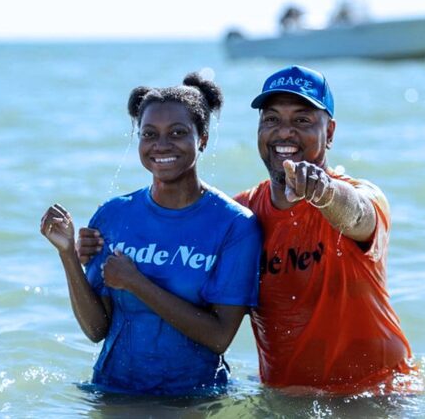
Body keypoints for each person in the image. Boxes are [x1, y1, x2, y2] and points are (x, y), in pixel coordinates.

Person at [79, 65, 421, 395]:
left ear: (329, 132)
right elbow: (177, 249)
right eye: (272, 119)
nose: (284, 132)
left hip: (374, 393)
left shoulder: (362, 196)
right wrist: (92, 248)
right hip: (283, 395)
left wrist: (324, 191)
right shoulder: (243, 217)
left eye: (302, 120)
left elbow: (357, 216)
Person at [41, 72, 262, 395]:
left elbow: (219, 337)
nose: (161, 145)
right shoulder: (113, 215)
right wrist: (67, 256)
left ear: (202, 139)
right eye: (149, 134)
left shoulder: (235, 226)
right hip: (114, 393)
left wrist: (136, 282)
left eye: (177, 133)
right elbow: (95, 328)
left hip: (193, 399)